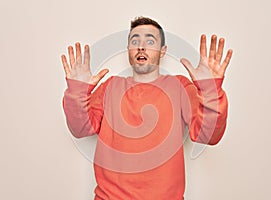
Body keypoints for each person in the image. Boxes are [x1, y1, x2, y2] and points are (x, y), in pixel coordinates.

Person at [61, 16, 233, 200]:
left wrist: (210, 90)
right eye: (135, 41)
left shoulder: (180, 86)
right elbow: (80, 129)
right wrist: (77, 92)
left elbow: (209, 136)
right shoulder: (110, 86)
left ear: (162, 51)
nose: (141, 46)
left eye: (150, 41)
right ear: (129, 50)